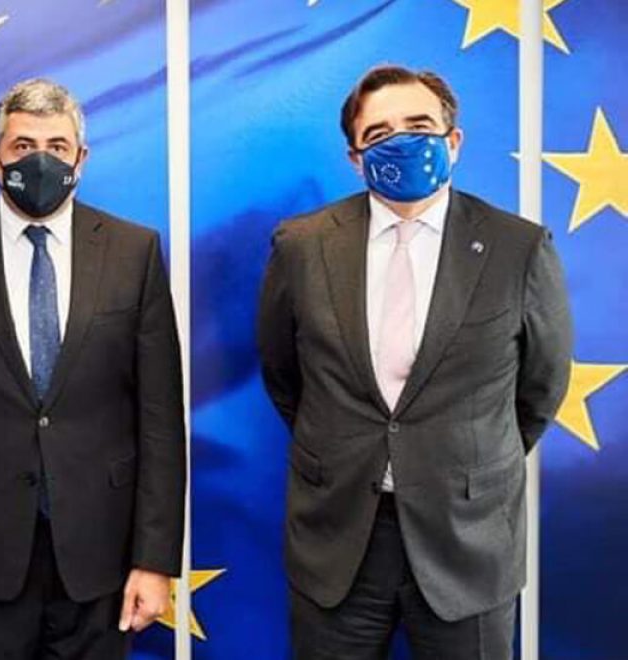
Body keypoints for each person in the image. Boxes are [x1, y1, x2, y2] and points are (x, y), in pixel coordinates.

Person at [258, 64, 573, 659]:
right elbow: (284, 374)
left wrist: (461, 458)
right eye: (378, 134)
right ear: (355, 158)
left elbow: (540, 387)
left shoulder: (519, 249)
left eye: (419, 126)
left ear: (453, 141)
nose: (401, 142)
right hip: (339, 539)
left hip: (467, 540)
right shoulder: (301, 246)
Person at [0, 78, 186, 659]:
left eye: (57, 146)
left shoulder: (134, 252)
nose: (40, 160)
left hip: (101, 562)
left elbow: (160, 422)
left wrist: (154, 561)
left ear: (81, 158)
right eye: (23, 146)